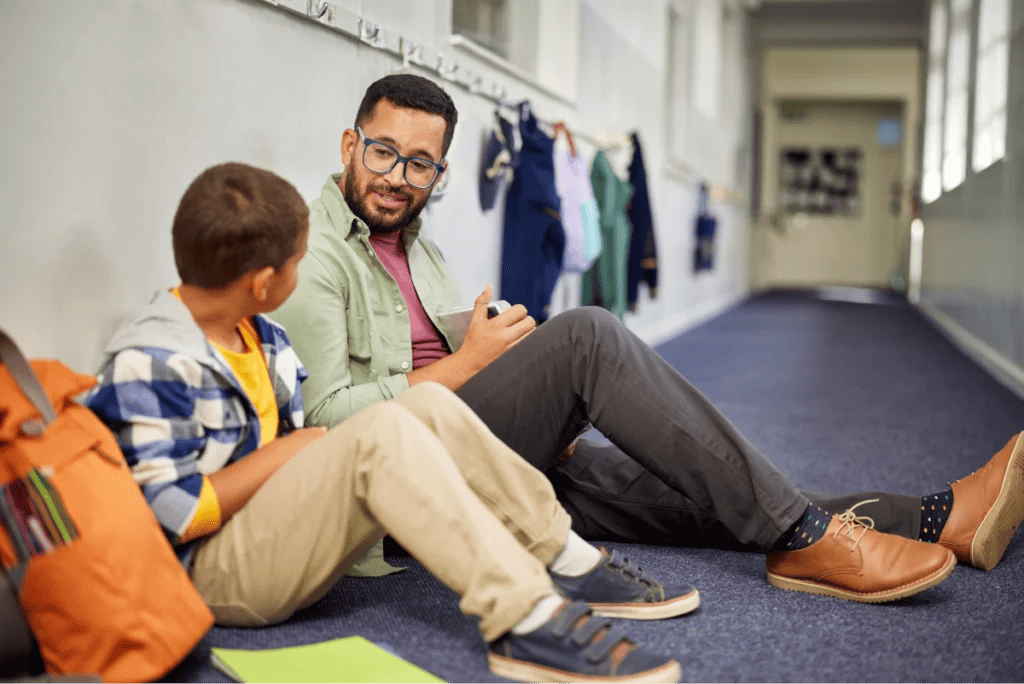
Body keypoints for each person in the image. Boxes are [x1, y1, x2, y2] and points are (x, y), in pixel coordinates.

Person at [270, 73, 1024, 602]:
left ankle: (932, 520)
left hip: (479, 455)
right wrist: (474, 364)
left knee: (704, 489)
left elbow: (440, 357)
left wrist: (504, 360)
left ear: (440, 170)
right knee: (589, 337)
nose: (399, 176)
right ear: (349, 143)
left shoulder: (416, 243)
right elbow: (328, 429)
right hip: (396, 504)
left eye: (421, 164)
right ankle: (803, 536)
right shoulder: (313, 254)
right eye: (383, 152)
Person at [84, 162, 709, 684]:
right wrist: (288, 454)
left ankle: (567, 561)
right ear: (265, 281)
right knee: (379, 431)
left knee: (429, 406)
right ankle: (526, 623)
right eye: (299, 263)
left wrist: (302, 455)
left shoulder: (263, 336)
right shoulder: (151, 360)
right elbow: (173, 514)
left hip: (276, 537)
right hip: (214, 579)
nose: (302, 275)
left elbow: (305, 460)